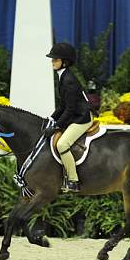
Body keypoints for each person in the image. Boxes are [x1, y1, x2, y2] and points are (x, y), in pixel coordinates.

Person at [44, 42, 92, 193]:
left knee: (62, 144)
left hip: (81, 118)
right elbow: (63, 105)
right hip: (74, 115)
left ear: (64, 61)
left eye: (55, 59)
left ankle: (73, 181)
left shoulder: (69, 80)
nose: (52, 61)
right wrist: (51, 119)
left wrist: (57, 126)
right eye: (52, 59)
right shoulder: (63, 77)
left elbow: (70, 110)